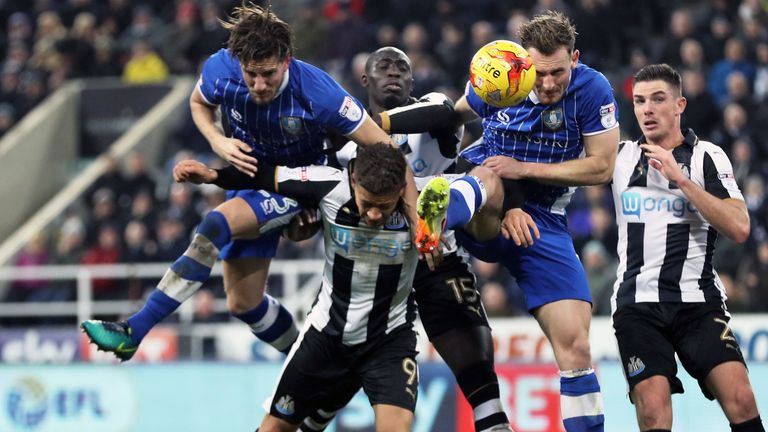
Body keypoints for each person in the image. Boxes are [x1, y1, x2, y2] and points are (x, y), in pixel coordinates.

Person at [81, 4, 400, 360]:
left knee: (214, 225)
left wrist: (367, 199)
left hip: (299, 181)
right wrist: (217, 141)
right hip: (248, 177)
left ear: (287, 61)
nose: (259, 85)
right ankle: (313, 366)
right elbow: (198, 102)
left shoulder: (318, 91)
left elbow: (383, 147)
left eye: (268, 74)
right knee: (244, 303)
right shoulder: (220, 69)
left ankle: (133, 329)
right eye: (251, 75)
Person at [173, 142, 498, 432]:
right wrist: (214, 175)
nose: (373, 214)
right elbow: (265, 175)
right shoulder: (328, 185)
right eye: (367, 202)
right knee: (276, 426)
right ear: (354, 181)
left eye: (383, 207)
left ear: (402, 189)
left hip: (389, 343)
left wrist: (450, 218)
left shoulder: (425, 201)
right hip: (326, 336)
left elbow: (486, 182)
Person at [317, 46, 522, 432]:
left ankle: (493, 421)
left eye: (403, 67)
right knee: (334, 374)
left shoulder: (434, 113)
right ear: (366, 79)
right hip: (371, 264)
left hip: (433, 256)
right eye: (384, 66)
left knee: (464, 331)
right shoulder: (341, 144)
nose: (394, 71)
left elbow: (444, 111)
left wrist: (370, 123)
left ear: (412, 80)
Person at [452, 11, 620, 432]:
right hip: (482, 200)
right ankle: (433, 221)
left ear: (574, 59)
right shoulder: (501, 74)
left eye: (558, 72)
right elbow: (454, 116)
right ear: (524, 63)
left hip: (544, 222)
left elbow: (601, 167)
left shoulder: (592, 89)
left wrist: (523, 169)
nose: (547, 84)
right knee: (488, 178)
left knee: (577, 347)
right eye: (539, 73)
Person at [611, 63, 764, 432]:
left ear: (679, 105)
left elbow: (740, 227)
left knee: (741, 398)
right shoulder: (619, 157)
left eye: (658, 99)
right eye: (639, 101)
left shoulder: (708, 156)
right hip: (638, 305)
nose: (647, 109)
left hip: (698, 302)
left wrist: (680, 180)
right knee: (652, 407)